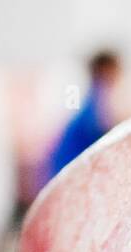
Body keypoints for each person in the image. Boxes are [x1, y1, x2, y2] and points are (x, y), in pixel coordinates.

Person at [44, 50, 121, 181]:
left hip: (65, 170)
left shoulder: (91, 97)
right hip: (70, 171)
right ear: (105, 69)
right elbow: (100, 132)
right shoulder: (98, 99)